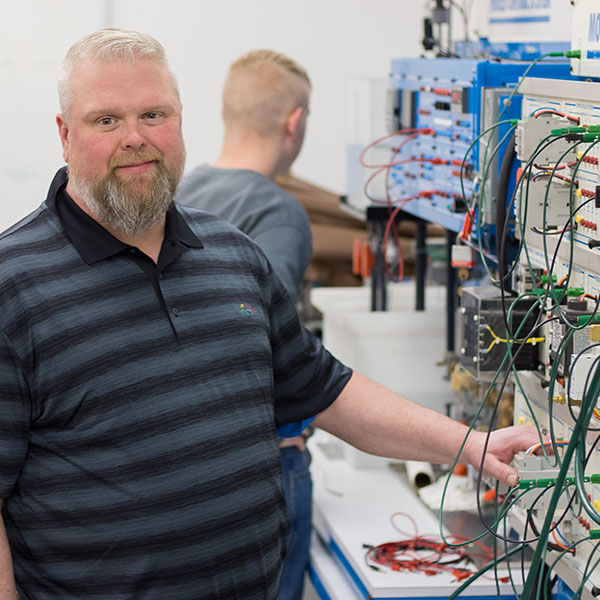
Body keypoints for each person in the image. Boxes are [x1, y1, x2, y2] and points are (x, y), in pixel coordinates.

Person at [0, 28, 539, 600]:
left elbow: (326, 391)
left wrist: (469, 444)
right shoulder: (14, 284)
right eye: (105, 120)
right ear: (64, 134)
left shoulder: (231, 254)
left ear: (181, 120)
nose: (136, 138)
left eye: (154, 114)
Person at [177, 49, 314, 600]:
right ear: (295, 121)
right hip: (264, 468)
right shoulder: (279, 212)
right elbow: (260, 346)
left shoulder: (181, 191)